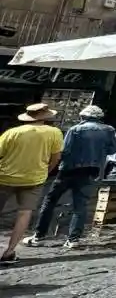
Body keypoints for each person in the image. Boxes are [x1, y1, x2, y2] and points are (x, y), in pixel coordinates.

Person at [25, 105, 116, 250]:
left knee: (50, 201)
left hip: (69, 170)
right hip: (91, 171)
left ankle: (39, 235)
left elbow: (65, 150)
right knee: (80, 206)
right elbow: (112, 150)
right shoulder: (109, 130)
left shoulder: (75, 129)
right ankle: (73, 240)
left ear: (84, 116)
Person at [0, 104, 63, 264]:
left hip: (5, 177)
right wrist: (45, 172)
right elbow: (55, 158)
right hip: (34, 179)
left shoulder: (12, 133)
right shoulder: (54, 132)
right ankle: (9, 252)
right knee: (24, 213)